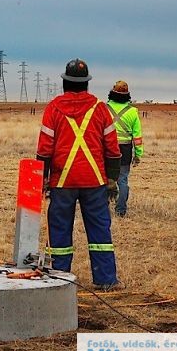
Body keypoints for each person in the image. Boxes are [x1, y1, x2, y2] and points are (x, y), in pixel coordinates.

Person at [36, 59, 123, 290]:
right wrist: (112, 179)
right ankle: (105, 279)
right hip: (94, 181)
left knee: (59, 230)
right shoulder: (100, 109)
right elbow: (113, 148)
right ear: (86, 84)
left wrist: (42, 180)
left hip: (61, 181)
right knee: (99, 231)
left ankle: (59, 278)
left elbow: (44, 148)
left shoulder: (53, 108)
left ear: (65, 82)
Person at [107, 80, 144, 217]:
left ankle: (103, 208)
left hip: (107, 150)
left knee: (105, 178)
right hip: (125, 150)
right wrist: (138, 154)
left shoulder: (104, 109)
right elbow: (137, 136)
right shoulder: (133, 112)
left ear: (112, 93)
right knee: (122, 180)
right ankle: (121, 210)